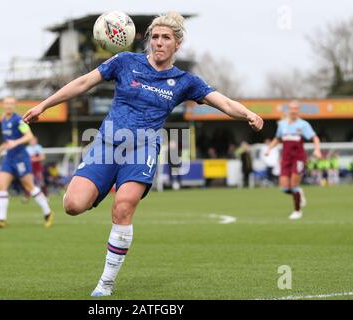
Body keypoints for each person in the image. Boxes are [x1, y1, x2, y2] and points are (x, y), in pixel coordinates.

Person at [23, 12, 263, 297]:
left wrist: (247, 113)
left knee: (123, 206)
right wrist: (44, 105)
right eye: (155, 37)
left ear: (178, 43)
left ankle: (106, 284)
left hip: (144, 147)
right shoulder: (125, 61)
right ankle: (86, 192)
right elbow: (83, 82)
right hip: (106, 144)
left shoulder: (185, 81)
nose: (159, 43)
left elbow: (220, 100)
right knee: (73, 205)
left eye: (166, 38)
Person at [0, 96, 54, 228]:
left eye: (11, 104)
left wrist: (16, 142)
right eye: (6, 103)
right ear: (3, 105)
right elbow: (8, 141)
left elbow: (29, 136)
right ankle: (1, 219)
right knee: (1, 186)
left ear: (15, 106)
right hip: (9, 158)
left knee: (30, 187)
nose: (8, 106)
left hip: (21, 158)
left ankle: (48, 213)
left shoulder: (18, 120)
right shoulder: (3, 119)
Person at [265, 100, 322, 220]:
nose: (294, 110)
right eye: (292, 108)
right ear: (288, 110)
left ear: (298, 110)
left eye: (296, 108)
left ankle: (297, 211)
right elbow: (278, 138)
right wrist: (269, 149)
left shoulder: (303, 125)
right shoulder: (282, 124)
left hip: (298, 159)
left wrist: (317, 150)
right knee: (284, 188)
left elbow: (315, 137)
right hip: (286, 159)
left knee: (294, 185)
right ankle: (299, 194)